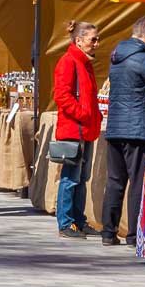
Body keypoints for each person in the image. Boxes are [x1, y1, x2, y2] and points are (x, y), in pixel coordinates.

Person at [101, 15, 145, 247]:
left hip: (115, 128)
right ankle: (133, 235)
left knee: (115, 182)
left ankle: (108, 233)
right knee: (138, 183)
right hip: (138, 130)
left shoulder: (116, 56)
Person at [53, 20, 103, 239]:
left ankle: (78, 220)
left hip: (86, 129)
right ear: (79, 40)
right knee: (70, 178)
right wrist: (84, 115)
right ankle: (65, 222)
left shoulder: (85, 63)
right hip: (75, 129)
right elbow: (62, 96)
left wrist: (94, 117)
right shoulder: (68, 62)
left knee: (81, 178)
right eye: (93, 39)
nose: (97, 43)